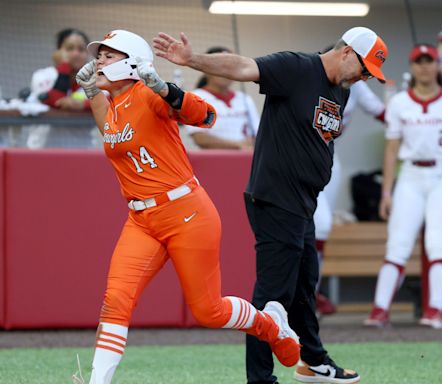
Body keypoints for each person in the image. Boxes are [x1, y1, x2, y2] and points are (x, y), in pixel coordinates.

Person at [153, 26, 388, 384]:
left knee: (304, 284)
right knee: (272, 294)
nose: (364, 77)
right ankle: (260, 379)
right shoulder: (296, 68)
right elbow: (243, 67)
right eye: (365, 68)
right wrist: (192, 59)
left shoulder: (341, 90)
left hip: (304, 202)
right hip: (277, 198)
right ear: (346, 52)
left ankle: (313, 362)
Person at [71, 29, 300, 384]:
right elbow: (111, 132)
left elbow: (206, 116)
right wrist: (91, 92)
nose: (98, 60)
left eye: (108, 55)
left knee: (209, 311)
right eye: (99, 54)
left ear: (131, 63)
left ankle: (269, 324)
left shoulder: (148, 94)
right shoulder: (114, 102)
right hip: (142, 218)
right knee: (115, 300)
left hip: (186, 212)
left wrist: (165, 88)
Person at [364, 44, 442, 329]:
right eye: (418, 62)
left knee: (438, 244)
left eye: (429, 61)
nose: (424, 67)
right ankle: (380, 310)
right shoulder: (400, 102)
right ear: (412, 67)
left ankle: (435, 311)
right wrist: (386, 192)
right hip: (411, 175)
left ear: (438, 65)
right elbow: (391, 149)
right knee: (397, 246)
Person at [314, 68, 386, 315]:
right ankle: (300, 293)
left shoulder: (355, 82)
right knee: (310, 226)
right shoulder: (307, 78)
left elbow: (382, 113)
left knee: (321, 228)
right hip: (299, 156)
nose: (359, 75)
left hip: (330, 156)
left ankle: (310, 293)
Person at [184, 46, 260, 150]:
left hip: (246, 160)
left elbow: (258, 134)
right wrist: (237, 145)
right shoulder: (194, 97)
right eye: (219, 66)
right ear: (205, 69)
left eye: (229, 67)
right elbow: (200, 138)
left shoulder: (245, 99)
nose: (224, 72)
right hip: (213, 162)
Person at [30, 28, 91, 111]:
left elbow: (109, 104)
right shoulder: (42, 76)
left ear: (87, 54)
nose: (75, 54)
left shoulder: (97, 80)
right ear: (58, 52)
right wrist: (64, 66)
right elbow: (57, 102)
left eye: (81, 49)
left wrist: (83, 104)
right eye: (69, 48)